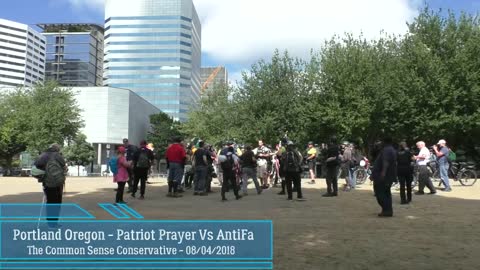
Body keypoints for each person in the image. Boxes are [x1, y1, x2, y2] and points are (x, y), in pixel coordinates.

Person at [34, 143, 67, 228]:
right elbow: (64, 167)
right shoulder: (58, 156)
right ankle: (54, 223)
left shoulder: (43, 155)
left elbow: (36, 165)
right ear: (57, 149)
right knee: (57, 202)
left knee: (50, 202)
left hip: (47, 183)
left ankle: (50, 222)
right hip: (58, 183)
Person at [371, 137, 397, 217]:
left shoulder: (386, 150)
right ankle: (388, 210)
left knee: (380, 193)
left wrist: (383, 173)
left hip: (382, 176)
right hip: (387, 175)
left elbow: (385, 162)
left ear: (384, 142)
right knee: (386, 193)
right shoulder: (391, 149)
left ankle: (386, 210)